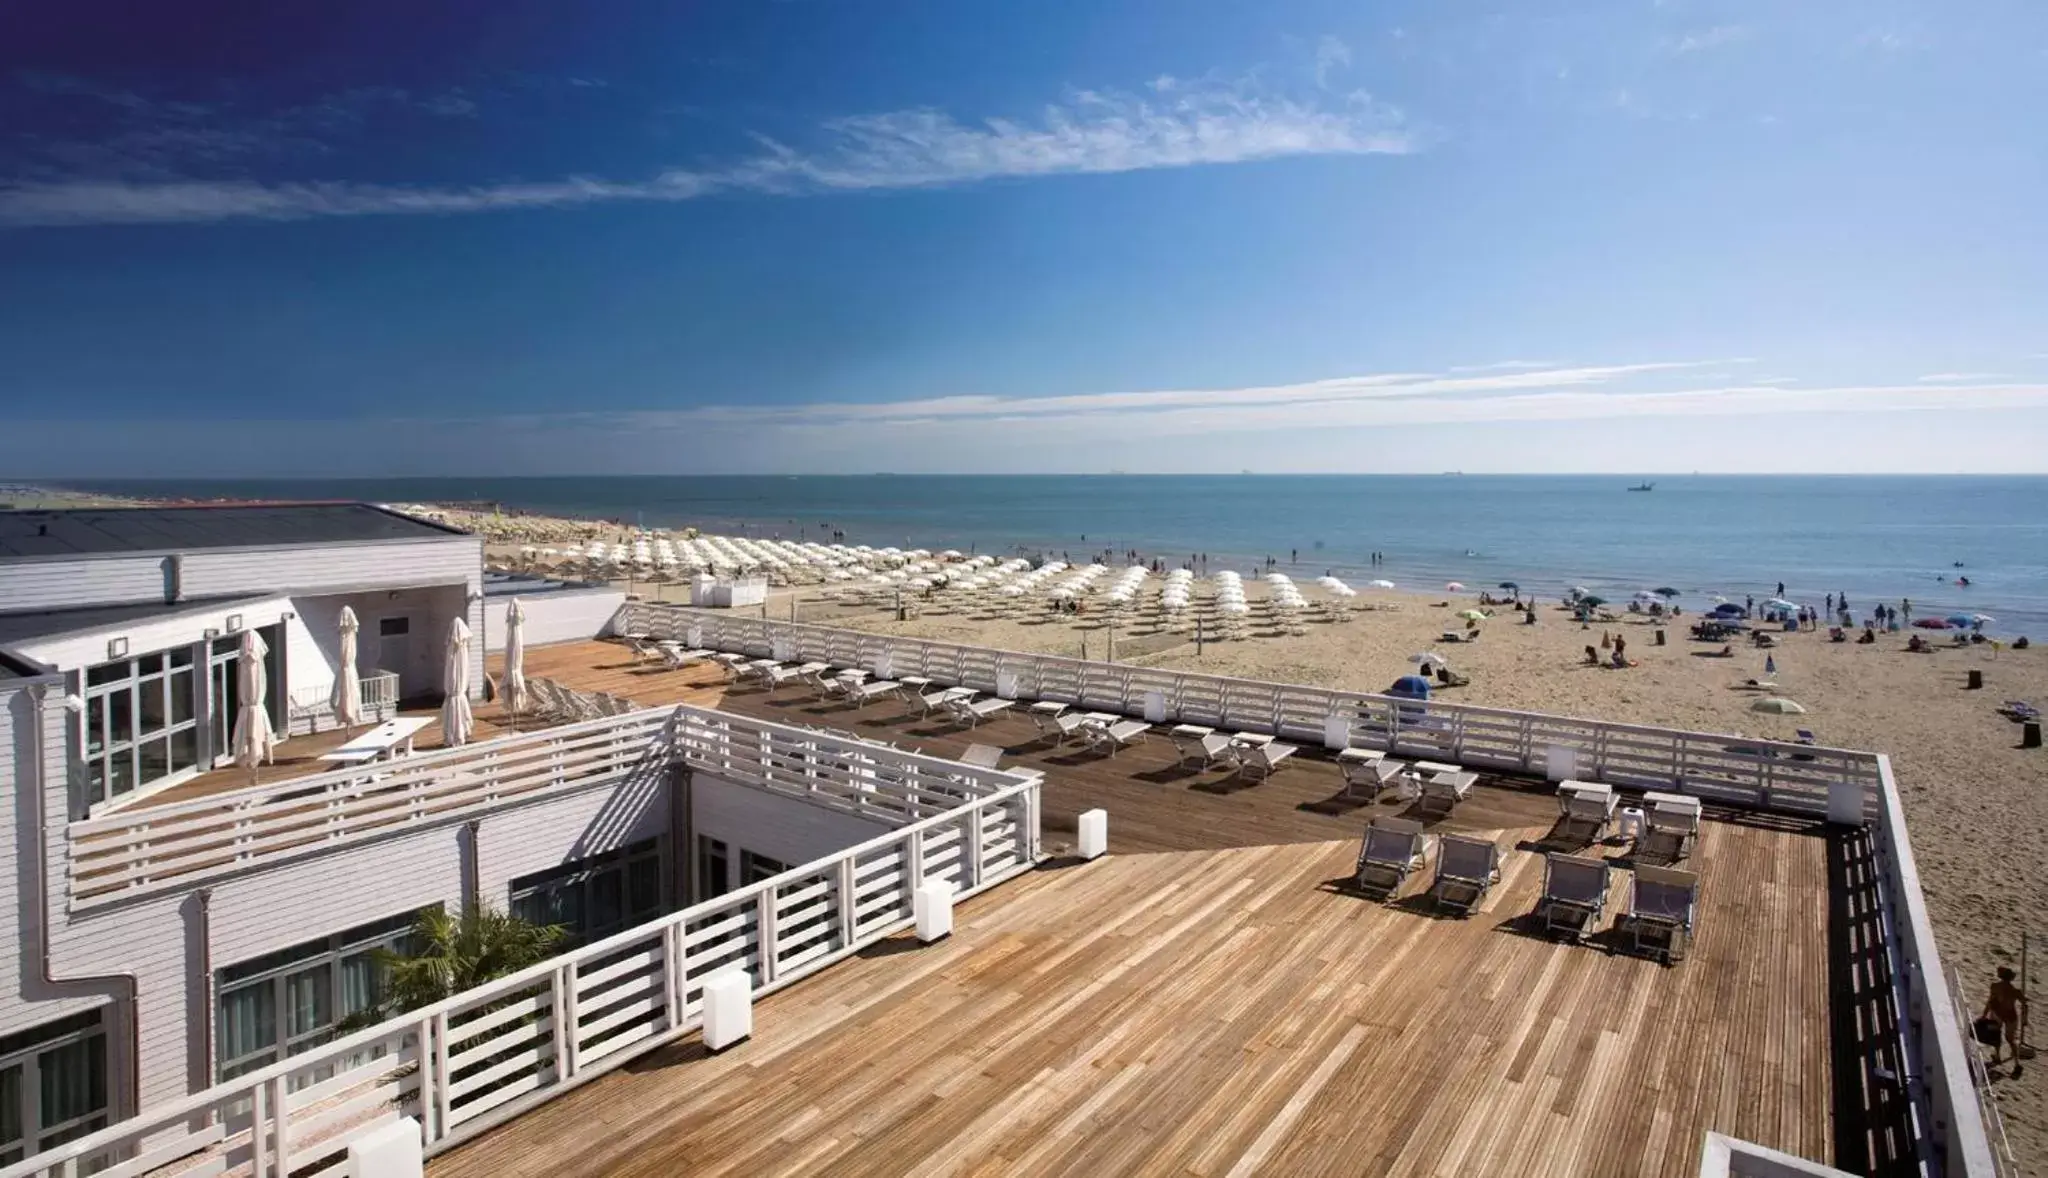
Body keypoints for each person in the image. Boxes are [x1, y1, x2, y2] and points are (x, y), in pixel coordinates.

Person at [1983, 966, 2029, 1075]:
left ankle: (1997, 1056)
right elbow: (2025, 1004)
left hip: (1998, 1013)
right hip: (2010, 1016)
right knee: (2011, 1040)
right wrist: (2024, 1018)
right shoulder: (2015, 991)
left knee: (1996, 1035)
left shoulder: (1995, 986)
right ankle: (2017, 1064)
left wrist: (1984, 1014)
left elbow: (1990, 1001)